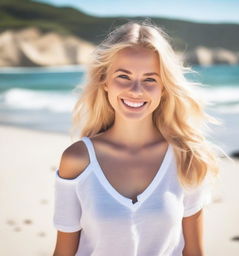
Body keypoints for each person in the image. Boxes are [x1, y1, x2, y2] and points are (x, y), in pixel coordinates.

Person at [53, 19, 226, 256]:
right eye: (123, 76)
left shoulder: (187, 158)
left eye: (150, 79)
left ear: (164, 88)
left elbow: (194, 251)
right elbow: (64, 252)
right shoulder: (77, 160)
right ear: (105, 81)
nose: (136, 90)